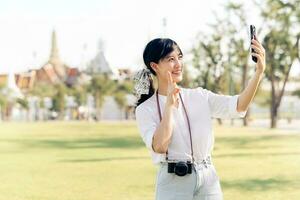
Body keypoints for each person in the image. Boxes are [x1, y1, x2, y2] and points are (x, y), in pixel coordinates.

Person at [134, 38, 265, 200]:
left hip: (208, 179)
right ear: (155, 66)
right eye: (171, 59)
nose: (178, 64)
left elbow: (239, 106)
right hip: (173, 183)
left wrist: (259, 72)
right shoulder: (145, 109)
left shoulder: (199, 96)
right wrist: (168, 106)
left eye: (180, 58)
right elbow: (160, 146)